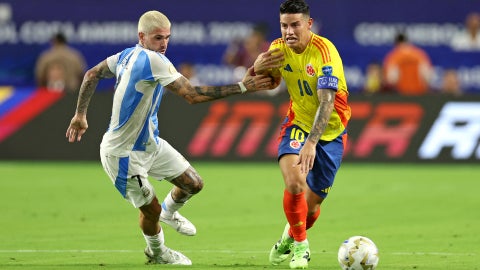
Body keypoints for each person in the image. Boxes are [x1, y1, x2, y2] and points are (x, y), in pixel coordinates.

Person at [65, 10, 278, 266]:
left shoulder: (125, 55)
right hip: (122, 155)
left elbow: (92, 74)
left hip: (150, 144)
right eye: (158, 38)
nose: (164, 44)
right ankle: (158, 253)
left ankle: (169, 212)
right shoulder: (153, 60)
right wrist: (244, 86)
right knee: (150, 210)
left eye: (167, 37)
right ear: (141, 36)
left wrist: (80, 114)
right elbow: (193, 95)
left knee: (194, 184)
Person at [252, 0, 351, 268]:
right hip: (298, 121)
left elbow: (327, 103)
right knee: (294, 182)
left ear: (309, 24)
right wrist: (258, 66)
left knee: (313, 204)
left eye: (295, 24)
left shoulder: (325, 52)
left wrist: (312, 143)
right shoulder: (277, 49)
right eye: (284, 25)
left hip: (330, 131)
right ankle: (301, 247)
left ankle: (288, 238)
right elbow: (266, 81)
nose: (289, 31)